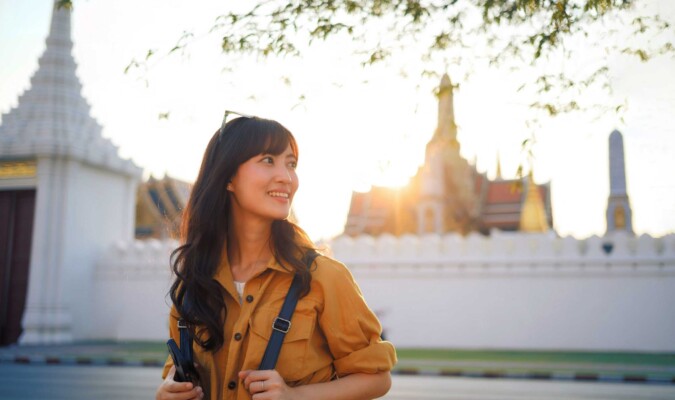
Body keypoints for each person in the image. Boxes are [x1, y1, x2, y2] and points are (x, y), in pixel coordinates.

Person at [156, 113, 397, 400]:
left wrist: (296, 396)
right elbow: (176, 365)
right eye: (268, 160)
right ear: (228, 176)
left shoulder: (323, 277)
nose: (287, 177)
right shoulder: (194, 279)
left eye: (291, 164)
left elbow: (377, 378)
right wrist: (169, 389)